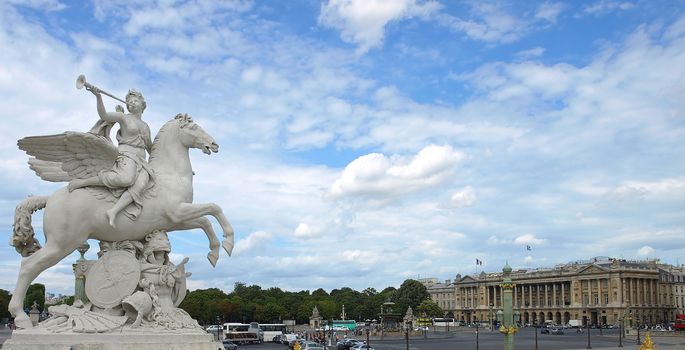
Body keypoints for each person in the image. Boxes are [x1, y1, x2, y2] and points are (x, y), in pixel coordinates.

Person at [68, 86, 154, 228]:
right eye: (129, 101)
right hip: (127, 156)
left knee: (141, 184)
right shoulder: (123, 118)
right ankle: (83, 182)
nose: (132, 103)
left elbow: (150, 147)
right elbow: (104, 116)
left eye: (135, 100)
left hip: (142, 161)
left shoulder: (145, 126)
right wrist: (98, 96)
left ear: (142, 104)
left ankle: (113, 211)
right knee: (126, 179)